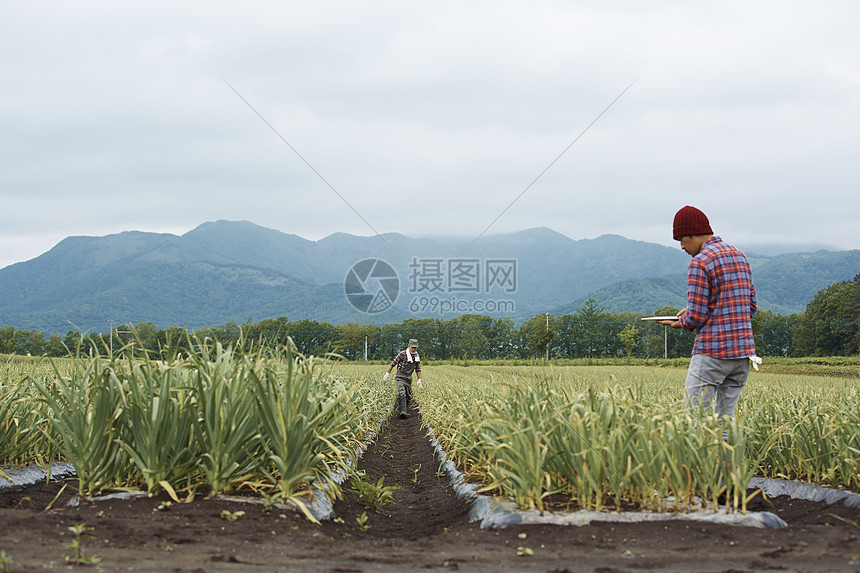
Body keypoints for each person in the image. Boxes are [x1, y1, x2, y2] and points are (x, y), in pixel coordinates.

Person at [658, 206, 758, 428]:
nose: (682, 246)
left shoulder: (700, 262)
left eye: (682, 239)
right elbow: (750, 307)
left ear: (693, 233)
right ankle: (728, 463)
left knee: (694, 420)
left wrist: (680, 322)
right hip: (742, 355)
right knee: (726, 422)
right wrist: (695, 309)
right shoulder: (740, 256)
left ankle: (697, 464)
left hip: (712, 353)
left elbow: (696, 317)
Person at [383, 339, 423, 419]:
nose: (413, 349)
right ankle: (403, 412)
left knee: (408, 396)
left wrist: (419, 380)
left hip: (408, 378)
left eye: (415, 348)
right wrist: (388, 373)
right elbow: (393, 363)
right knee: (402, 393)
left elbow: (418, 369)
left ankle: (404, 410)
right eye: (412, 347)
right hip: (400, 377)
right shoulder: (402, 354)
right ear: (408, 346)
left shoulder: (416, 357)